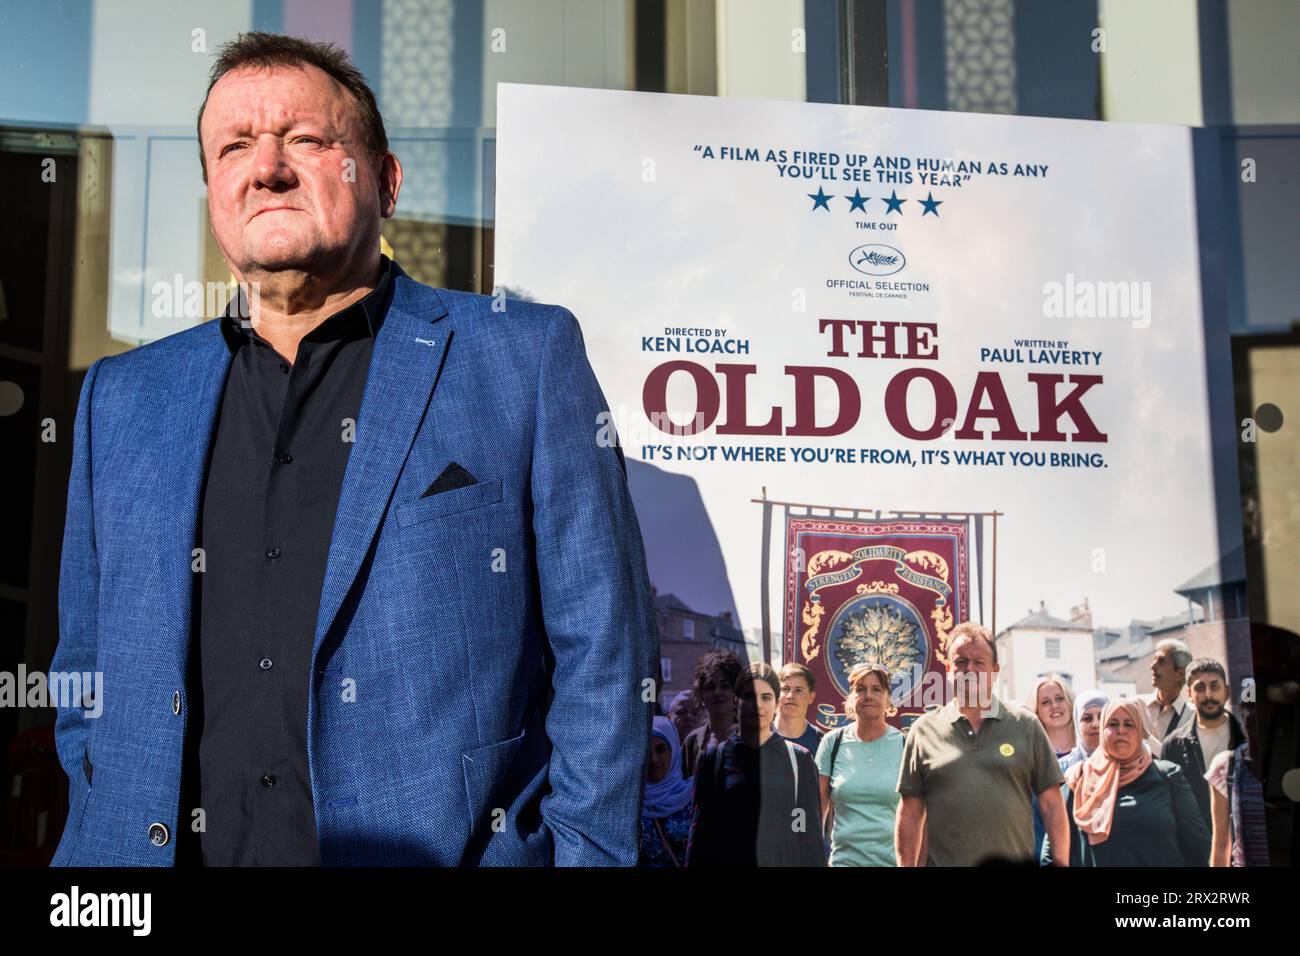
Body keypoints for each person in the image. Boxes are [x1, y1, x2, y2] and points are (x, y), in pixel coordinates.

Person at [48, 32, 657, 867]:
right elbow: (83, 667)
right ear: (214, 191)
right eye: (233, 147)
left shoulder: (522, 358)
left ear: (387, 180)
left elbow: (606, 650)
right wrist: (102, 812)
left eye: (305, 139)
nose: (266, 167)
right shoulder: (121, 399)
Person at [895, 622, 1068, 866]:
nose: (970, 669)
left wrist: (1061, 862)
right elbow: (910, 813)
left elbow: (1052, 804)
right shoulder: (923, 731)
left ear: (995, 670)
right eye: (961, 662)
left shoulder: (1026, 725)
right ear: (948, 669)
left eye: (979, 662)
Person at [686, 663, 826, 866]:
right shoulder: (714, 759)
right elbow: (700, 839)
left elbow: (809, 837)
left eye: (766, 697)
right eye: (749, 696)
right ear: (736, 700)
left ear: (776, 702)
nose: (757, 704)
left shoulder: (800, 760)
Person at [1048, 699, 1209, 866]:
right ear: (1103, 731)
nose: (1121, 730)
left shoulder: (1167, 777)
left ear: (1140, 732)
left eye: (1129, 724)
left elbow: (1199, 846)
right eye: (1113, 724)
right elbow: (1052, 851)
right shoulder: (1079, 781)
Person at [816, 663, 908, 867]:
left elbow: (917, 815)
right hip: (843, 862)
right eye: (860, 689)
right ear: (851, 697)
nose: (868, 696)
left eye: (877, 689)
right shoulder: (832, 743)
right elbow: (817, 813)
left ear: (887, 699)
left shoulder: (905, 745)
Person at [1161, 658, 1245, 833]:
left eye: (1215, 687)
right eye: (1200, 688)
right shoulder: (1173, 745)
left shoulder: (1246, 738)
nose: (1208, 695)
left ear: (1227, 692)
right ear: (1189, 693)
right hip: (1198, 848)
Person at [1206, 697, 1269, 867]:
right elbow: (1221, 845)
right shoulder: (1226, 766)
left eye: (1259, 707)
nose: (1254, 715)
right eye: (1249, 708)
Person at [639, 717, 694, 867]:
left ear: (674, 750)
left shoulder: (695, 796)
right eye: (645, 751)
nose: (654, 760)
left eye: (661, 749)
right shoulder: (628, 804)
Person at [681, 650, 742, 778]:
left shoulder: (751, 738)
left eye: (725, 686)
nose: (717, 692)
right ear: (701, 695)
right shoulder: (692, 741)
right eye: (710, 687)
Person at [1140, 638, 1194, 749]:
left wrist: (1146, 737)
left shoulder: (1193, 717)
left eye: (1162, 662)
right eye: (1154, 660)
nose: (1152, 666)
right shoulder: (1135, 707)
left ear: (1179, 673)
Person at [776, 663, 824, 755]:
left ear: (811, 697)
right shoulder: (761, 734)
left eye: (798, 690)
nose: (790, 696)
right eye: (785, 689)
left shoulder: (820, 741)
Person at [1060, 689, 1109, 773]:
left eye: (1101, 717)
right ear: (1077, 723)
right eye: (1087, 718)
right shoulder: (1063, 769)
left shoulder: (1127, 765)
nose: (1095, 724)